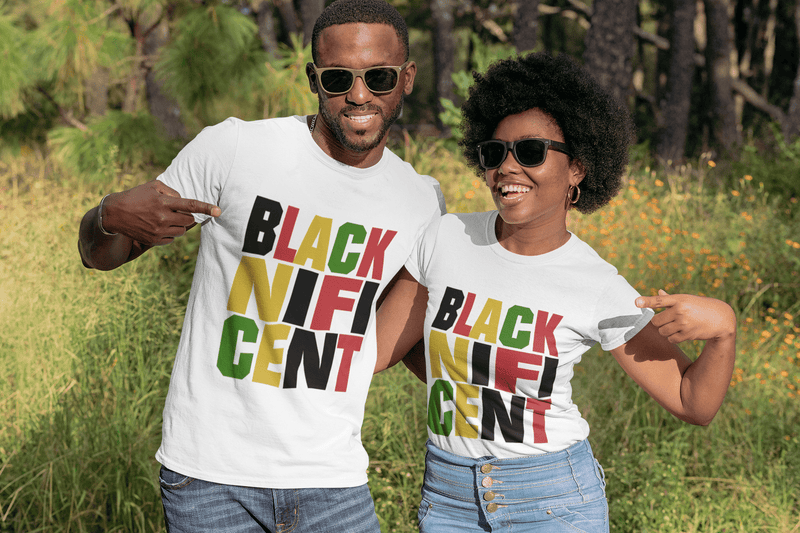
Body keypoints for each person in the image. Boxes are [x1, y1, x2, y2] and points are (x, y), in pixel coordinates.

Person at [78, 0, 446, 531]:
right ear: (313, 78)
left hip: (334, 480)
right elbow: (100, 255)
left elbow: (400, 333)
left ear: (407, 78)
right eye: (339, 77)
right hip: (209, 479)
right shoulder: (234, 149)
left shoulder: (419, 200)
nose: (359, 94)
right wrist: (108, 214)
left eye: (380, 77)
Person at [375, 52, 736, 532]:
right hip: (449, 498)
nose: (507, 167)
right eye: (494, 152)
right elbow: (378, 351)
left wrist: (724, 329)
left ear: (577, 170)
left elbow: (695, 402)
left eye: (530, 152)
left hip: (551, 500)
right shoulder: (445, 238)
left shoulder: (595, 284)